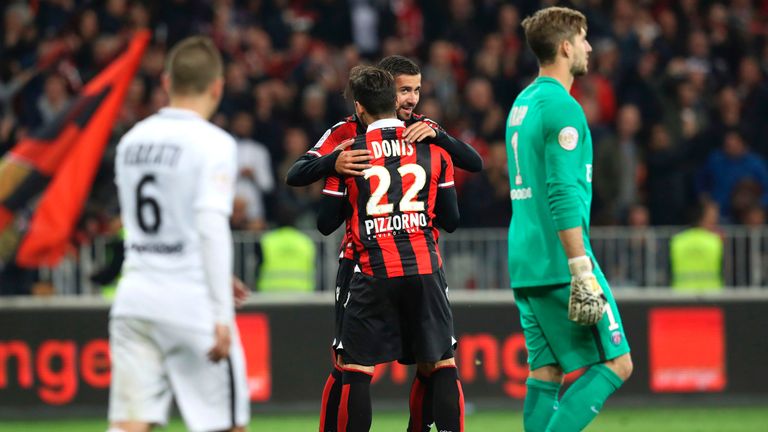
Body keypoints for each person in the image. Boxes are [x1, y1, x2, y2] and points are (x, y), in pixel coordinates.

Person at [286, 55, 481, 432]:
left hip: (373, 265)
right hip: (397, 261)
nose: (411, 99)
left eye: (417, 90)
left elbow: (325, 220)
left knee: (371, 364)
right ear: (387, 92)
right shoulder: (345, 136)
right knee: (435, 361)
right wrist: (332, 163)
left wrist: (440, 135)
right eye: (404, 90)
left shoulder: (426, 131)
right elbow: (298, 171)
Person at [109, 36, 249, 432]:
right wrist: (221, 313)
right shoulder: (214, 143)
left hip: (134, 299)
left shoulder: (131, 141)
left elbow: (154, 223)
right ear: (218, 86)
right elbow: (208, 225)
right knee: (227, 425)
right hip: (191, 303)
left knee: (129, 425)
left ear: (166, 81)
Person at [505, 7, 633, 432]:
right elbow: (560, 193)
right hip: (561, 263)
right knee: (618, 363)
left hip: (525, 261)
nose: (589, 47)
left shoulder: (522, 105)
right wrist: (581, 269)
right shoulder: (564, 108)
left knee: (547, 373)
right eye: (583, 39)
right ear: (565, 46)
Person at [670, 201, 723, 292]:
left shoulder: (677, 240)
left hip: (681, 294)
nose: (715, 222)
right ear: (702, 218)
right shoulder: (715, 241)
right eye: (712, 218)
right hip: (712, 294)